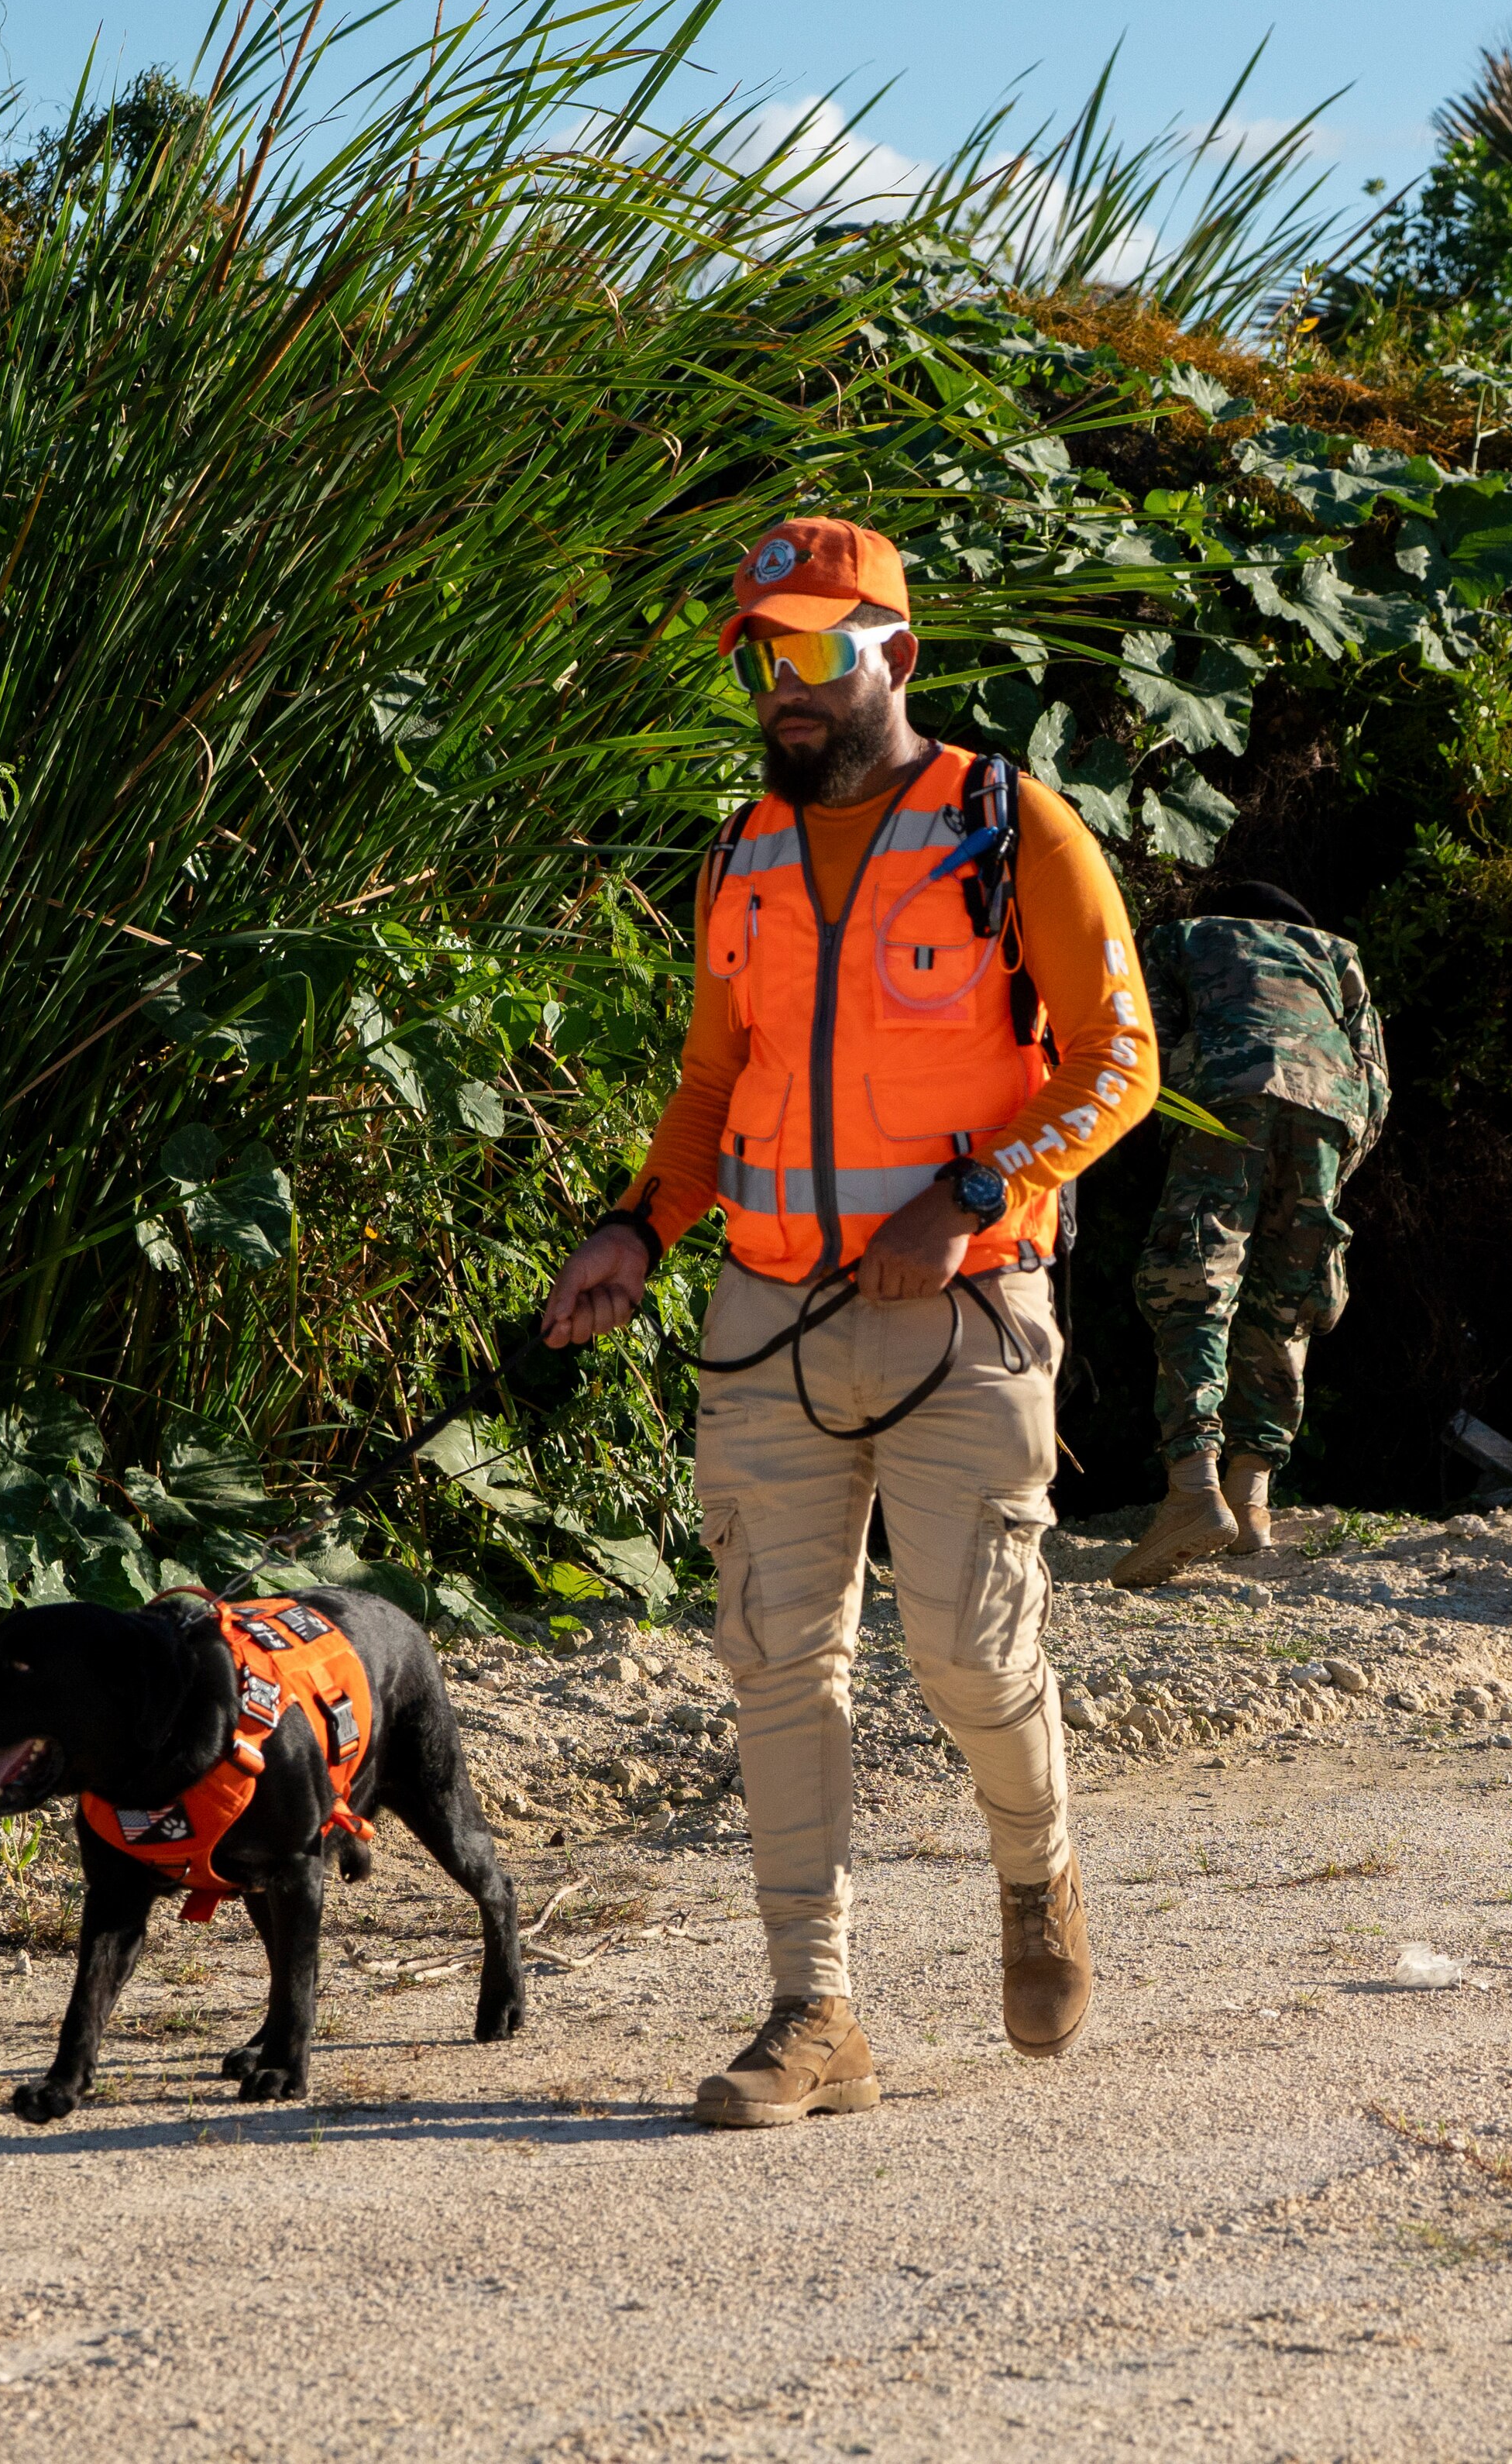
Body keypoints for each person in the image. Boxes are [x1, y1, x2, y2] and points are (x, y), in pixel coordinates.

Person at [538, 514, 1154, 2127]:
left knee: (964, 1648)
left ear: (899, 653)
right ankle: (815, 2013)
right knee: (774, 1662)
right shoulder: (739, 850)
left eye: (818, 651)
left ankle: (1039, 1873)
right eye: (764, 657)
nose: (786, 688)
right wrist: (633, 1227)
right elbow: (707, 1087)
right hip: (767, 1320)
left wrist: (967, 1193)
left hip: (966, 1318)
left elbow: (1119, 1061)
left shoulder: (1011, 826)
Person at [1113, 878, 1390, 1585]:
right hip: (1330, 1106)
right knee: (1291, 1287)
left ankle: (1193, 1488)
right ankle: (1251, 1495)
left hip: (1227, 1092)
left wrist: (1185, 1132)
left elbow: (1147, 1044)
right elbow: (1377, 1080)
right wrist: (1331, 1169)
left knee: (1195, 1276)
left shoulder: (1186, 934)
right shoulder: (1338, 953)